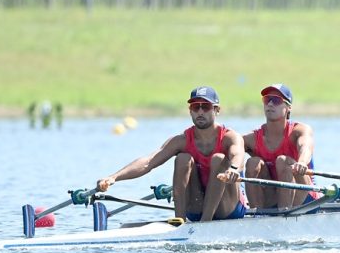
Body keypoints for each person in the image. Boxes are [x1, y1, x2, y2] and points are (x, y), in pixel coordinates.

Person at [97, 86, 247, 222]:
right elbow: (148, 162)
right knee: (183, 159)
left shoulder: (230, 137)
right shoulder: (181, 141)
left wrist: (233, 169)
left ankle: (205, 223)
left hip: (229, 209)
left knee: (219, 159)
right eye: (196, 107)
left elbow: (238, 156)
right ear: (190, 111)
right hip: (196, 207)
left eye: (205, 107)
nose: (200, 112)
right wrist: (113, 177)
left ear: (216, 110)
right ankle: (179, 221)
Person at [242, 84, 320, 209]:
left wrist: (302, 162)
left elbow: (305, 147)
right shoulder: (252, 138)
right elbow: (231, 149)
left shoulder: (299, 131)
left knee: (282, 161)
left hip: (305, 196)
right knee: (252, 163)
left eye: (276, 100)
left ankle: (284, 216)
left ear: (288, 107)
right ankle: (256, 216)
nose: (270, 104)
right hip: (273, 196)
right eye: (267, 100)